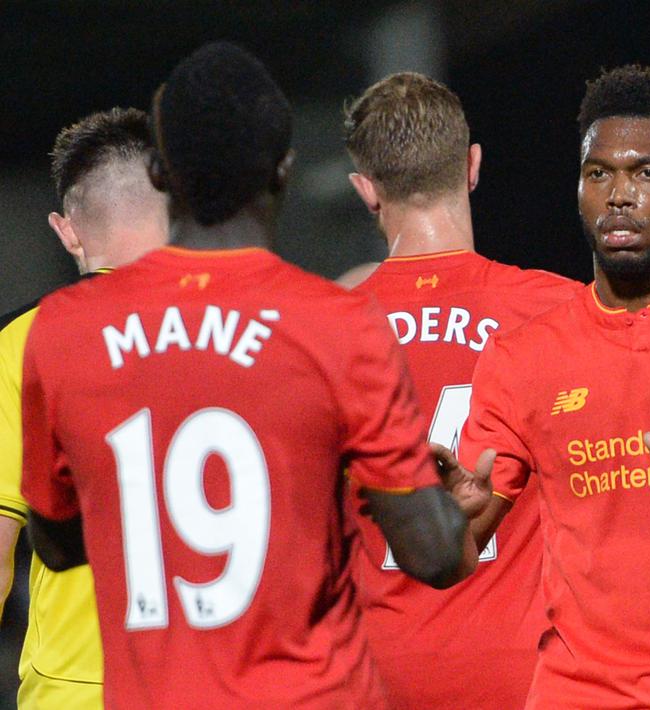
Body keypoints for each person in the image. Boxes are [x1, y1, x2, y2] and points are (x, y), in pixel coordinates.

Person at [19, 41, 473, 709]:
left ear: (158, 170)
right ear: (285, 169)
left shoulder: (62, 332)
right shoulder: (340, 326)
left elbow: (56, 547)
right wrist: (446, 502)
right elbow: (433, 556)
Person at [340, 70, 650, 709]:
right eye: (601, 175)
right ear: (473, 166)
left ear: (365, 190)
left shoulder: (325, 328)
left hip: (370, 670)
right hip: (517, 669)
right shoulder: (547, 312)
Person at [0, 106, 169, 708]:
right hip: (222, 678)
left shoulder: (25, 344)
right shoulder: (248, 330)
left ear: (66, 228)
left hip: (77, 688)